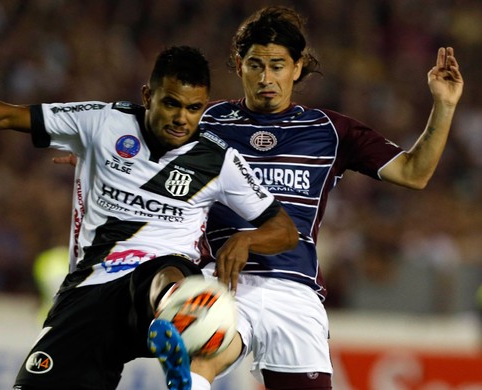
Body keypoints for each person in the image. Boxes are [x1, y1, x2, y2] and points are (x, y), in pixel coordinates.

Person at [0, 45, 299, 390]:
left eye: (193, 108)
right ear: (147, 95)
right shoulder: (102, 122)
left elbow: (284, 229)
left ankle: (176, 325)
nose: (181, 118)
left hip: (159, 290)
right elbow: (8, 114)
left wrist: (245, 240)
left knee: (166, 274)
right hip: (91, 293)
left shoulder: (218, 159)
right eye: (171, 103)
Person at [187, 5, 464, 390]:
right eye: (255, 64)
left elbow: (414, 173)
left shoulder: (331, 130)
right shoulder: (203, 122)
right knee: (200, 358)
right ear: (238, 64)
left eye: (278, 65)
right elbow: (133, 144)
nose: (266, 77)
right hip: (223, 279)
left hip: (295, 290)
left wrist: (444, 106)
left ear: (298, 67)